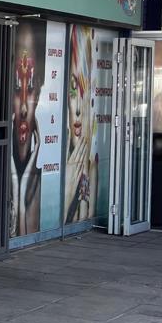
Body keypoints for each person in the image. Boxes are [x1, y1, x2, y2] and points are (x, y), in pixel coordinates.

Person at [12, 21, 44, 236]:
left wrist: (22, 186)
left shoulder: (41, 183)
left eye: (30, 87)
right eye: (17, 88)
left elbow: (24, 239)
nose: (24, 108)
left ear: (39, 91)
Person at [64, 28, 96, 225]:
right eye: (72, 91)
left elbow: (85, 219)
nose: (77, 110)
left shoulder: (93, 167)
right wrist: (67, 192)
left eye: (84, 91)